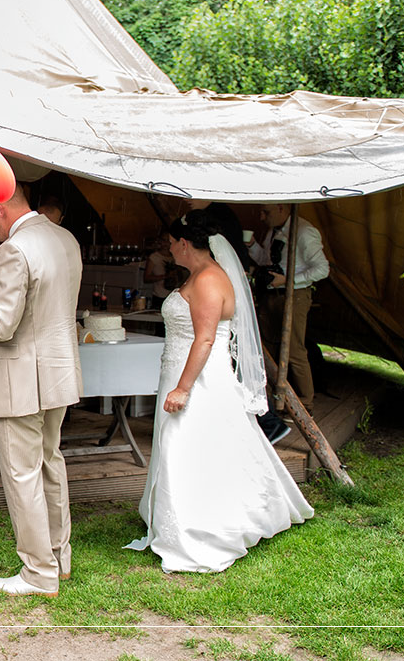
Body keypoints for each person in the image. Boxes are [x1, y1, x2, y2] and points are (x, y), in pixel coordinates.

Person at [126, 210, 313, 572]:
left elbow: (206, 338)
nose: (169, 250)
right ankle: (174, 512)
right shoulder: (198, 275)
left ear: (184, 244)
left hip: (200, 378)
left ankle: (202, 522)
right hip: (180, 369)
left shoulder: (209, 279)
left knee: (194, 442)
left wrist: (183, 388)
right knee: (188, 442)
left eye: (171, 244)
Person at [0, 186, 82, 596]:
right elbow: (39, 297)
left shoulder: (14, 249)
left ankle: (38, 574)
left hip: (20, 378)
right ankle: (58, 560)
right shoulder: (63, 237)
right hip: (56, 374)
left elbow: (1, 327)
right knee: (50, 466)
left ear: (1, 207)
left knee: (23, 475)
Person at [248, 204, 329, 416]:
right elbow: (265, 260)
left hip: (294, 295)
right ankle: (273, 398)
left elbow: (322, 269)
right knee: (269, 347)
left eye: (266, 212)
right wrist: (252, 245)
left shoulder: (304, 232)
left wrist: (289, 280)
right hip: (271, 294)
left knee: (293, 349)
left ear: (282, 209)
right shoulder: (273, 231)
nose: (262, 216)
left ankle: (305, 403)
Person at [142, 231, 176, 309]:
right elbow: (146, 278)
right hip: (159, 296)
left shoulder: (174, 257)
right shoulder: (154, 257)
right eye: (164, 240)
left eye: (168, 241)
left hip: (172, 295)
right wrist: (165, 276)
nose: (165, 243)